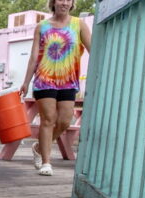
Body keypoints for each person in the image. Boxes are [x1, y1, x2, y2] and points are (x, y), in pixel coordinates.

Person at [20, 0, 91, 176]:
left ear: (72, 3)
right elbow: (34, 56)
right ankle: (46, 162)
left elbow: (94, 50)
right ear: (53, 2)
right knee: (48, 119)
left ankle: (39, 147)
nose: (64, 2)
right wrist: (26, 81)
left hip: (68, 80)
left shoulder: (79, 24)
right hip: (44, 80)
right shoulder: (41, 26)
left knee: (65, 121)